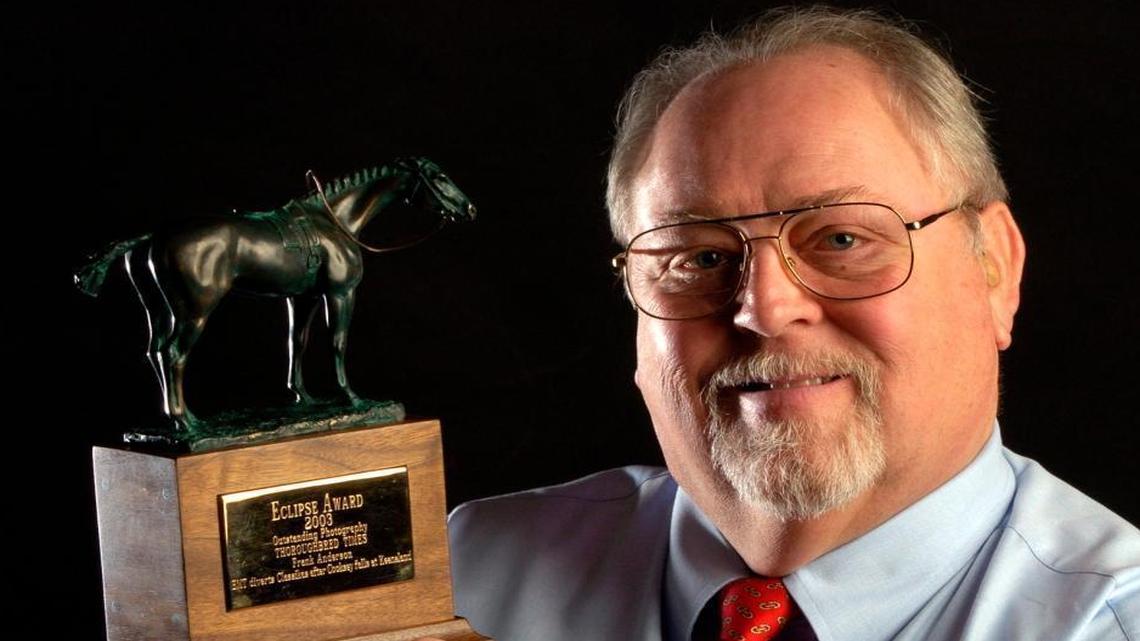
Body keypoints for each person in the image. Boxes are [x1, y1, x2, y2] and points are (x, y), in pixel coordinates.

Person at [446, 6, 1140, 640]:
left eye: (841, 239)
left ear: (995, 270)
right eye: (701, 255)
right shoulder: (470, 578)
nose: (765, 309)